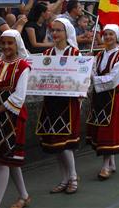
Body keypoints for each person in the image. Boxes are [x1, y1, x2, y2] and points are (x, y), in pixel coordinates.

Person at [0, 30, 31, 208]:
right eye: (3, 43)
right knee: (10, 160)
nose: (6, 47)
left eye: (9, 43)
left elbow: (19, 97)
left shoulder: (23, 66)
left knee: (2, 162)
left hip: (12, 117)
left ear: (16, 44)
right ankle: (24, 196)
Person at [36, 17, 81, 194]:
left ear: (66, 33)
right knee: (56, 145)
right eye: (53, 30)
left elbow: (80, 79)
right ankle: (64, 179)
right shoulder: (47, 55)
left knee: (66, 144)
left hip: (67, 103)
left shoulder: (75, 54)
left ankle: (73, 177)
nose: (55, 33)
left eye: (58, 30)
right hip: (51, 102)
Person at [86, 24, 119, 180]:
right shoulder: (100, 55)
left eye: (111, 34)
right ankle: (111, 162)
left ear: (116, 37)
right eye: (105, 34)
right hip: (100, 97)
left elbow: (114, 79)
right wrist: (89, 65)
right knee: (101, 128)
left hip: (111, 97)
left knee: (108, 130)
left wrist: (94, 78)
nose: (108, 37)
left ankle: (105, 166)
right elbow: (94, 72)